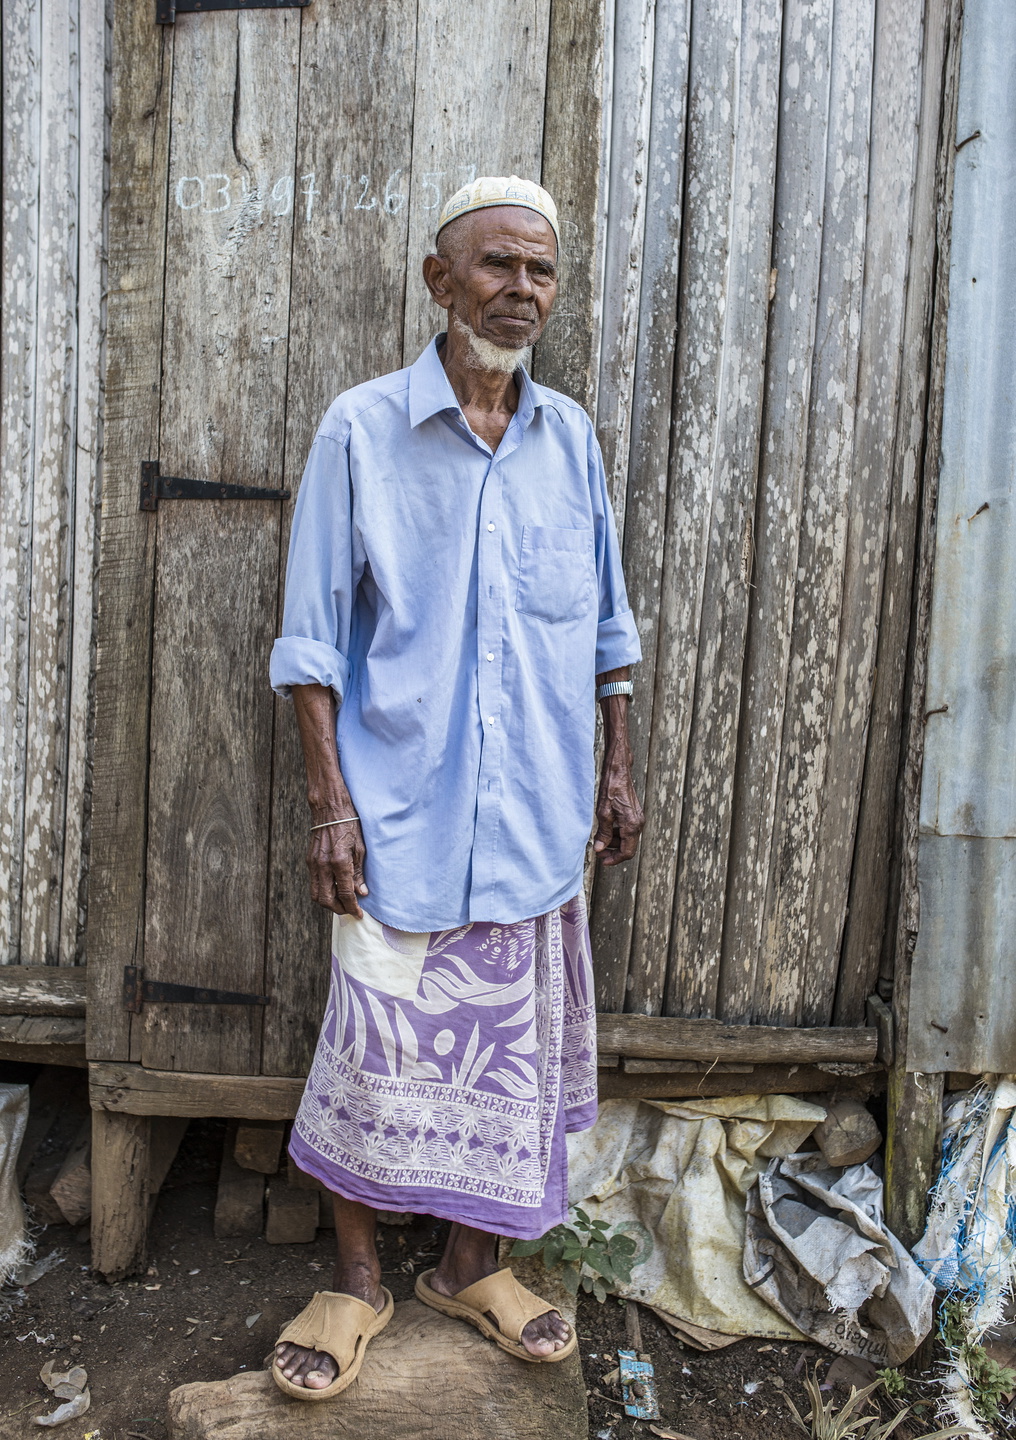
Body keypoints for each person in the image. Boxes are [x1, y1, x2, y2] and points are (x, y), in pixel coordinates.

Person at [268, 175, 644, 1400]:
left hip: (537, 816)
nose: (520, 290)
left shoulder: (568, 437)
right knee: (376, 1052)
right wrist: (330, 806)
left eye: (538, 270)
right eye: (496, 266)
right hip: (397, 820)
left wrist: (617, 769)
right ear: (440, 281)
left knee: (509, 1061)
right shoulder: (361, 430)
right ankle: (359, 1281)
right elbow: (311, 643)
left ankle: (470, 1267)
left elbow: (605, 627)